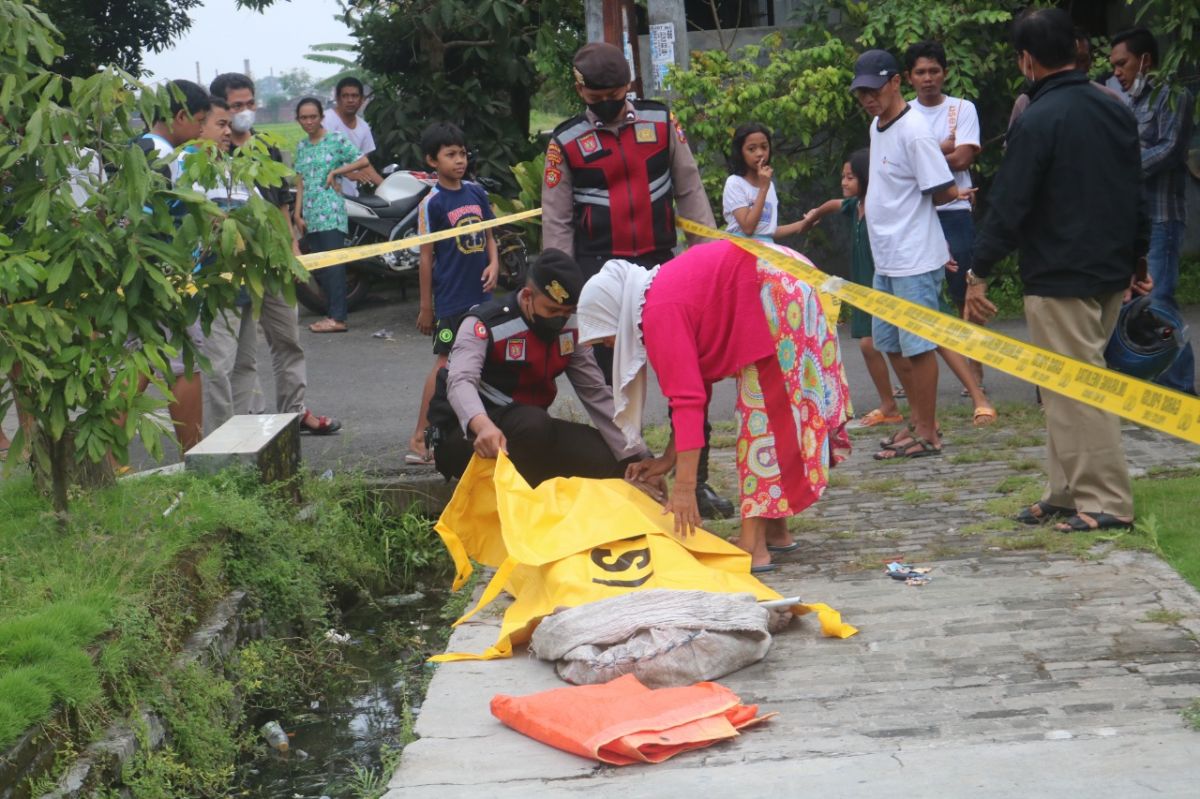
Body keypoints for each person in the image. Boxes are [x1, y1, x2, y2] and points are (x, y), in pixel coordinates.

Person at [966, 7, 1152, 533]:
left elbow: (1010, 203)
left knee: (1079, 390)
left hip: (1060, 275)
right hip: (1109, 270)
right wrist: (1139, 257)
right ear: (1074, 50)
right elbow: (1135, 189)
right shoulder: (1113, 107)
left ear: (1026, 60)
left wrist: (978, 268)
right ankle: (1066, 492)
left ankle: (1109, 502)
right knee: (1062, 389)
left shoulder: (1038, 120)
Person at [541, 41, 733, 520]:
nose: (607, 101)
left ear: (629, 87)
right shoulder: (563, 144)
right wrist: (565, 292)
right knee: (611, 388)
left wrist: (708, 263)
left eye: (616, 92)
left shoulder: (661, 123)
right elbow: (557, 222)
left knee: (685, 381)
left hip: (663, 269)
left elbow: (690, 192)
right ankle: (632, 478)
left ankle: (698, 480)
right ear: (580, 89)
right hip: (600, 281)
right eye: (596, 94)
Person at [577, 240, 851, 572]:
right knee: (774, 411)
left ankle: (754, 545)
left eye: (606, 337)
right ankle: (776, 529)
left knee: (762, 417)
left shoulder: (657, 311)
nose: (609, 346)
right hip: (783, 277)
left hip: (775, 289)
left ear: (614, 314)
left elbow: (688, 402)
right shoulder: (654, 297)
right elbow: (696, 391)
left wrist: (685, 488)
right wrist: (668, 459)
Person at [426, 250, 650, 487]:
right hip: (466, 435)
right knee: (534, 424)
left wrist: (639, 455)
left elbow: (594, 391)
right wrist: (483, 426)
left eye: (567, 312)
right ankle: (519, 508)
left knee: (609, 457)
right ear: (527, 296)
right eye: (552, 310)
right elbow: (460, 382)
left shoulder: (570, 329)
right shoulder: (483, 324)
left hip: (528, 432)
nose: (560, 319)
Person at [204, 73, 342, 436]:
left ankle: (293, 414)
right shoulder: (213, 153)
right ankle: (248, 425)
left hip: (274, 262)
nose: (246, 111)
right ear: (220, 108)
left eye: (251, 103)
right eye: (237, 106)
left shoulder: (266, 146)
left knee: (288, 341)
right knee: (238, 355)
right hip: (234, 266)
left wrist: (292, 250)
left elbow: (281, 204)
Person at [850, 50, 969, 460]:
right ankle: (920, 422)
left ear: (896, 82)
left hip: (915, 255)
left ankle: (928, 434)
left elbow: (943, 188)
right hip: (886, 256)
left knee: (919, 347)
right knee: (892, 344)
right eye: (861, 92)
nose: (868, 98)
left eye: (875, 88)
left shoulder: (915, 131)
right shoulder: (877, 125)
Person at [903, 41, 996, 423]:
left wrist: (924, 153)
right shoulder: (903, 113)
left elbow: (963, 157)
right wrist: (940, 149)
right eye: (920, 72)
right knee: (918, 291)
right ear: (909, 77)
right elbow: (899, 163)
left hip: (955, 209)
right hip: (918, 212)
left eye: (934, 71)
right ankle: (913, 373)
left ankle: (974, 370)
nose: (928, 79)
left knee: (963, 292)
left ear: (944, 73)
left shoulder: (962, 109)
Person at [407, 121, 500, 464]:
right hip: (450, 301)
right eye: (450, 155)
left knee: (482, 361)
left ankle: (477, 430)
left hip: (482, 298)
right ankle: (419, 436)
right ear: (433, 161)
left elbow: (490, 234)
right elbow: (426, 259)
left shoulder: (476, 192)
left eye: (462, 153)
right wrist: (426, 307)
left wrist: (494, 264)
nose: (459, 160)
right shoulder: (431, 203)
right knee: (445, 364)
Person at [1109, 27, 1195, 395]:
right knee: (1134, 302)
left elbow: (1170, 150)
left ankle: (1181, 387)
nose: (1117, 72)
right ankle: (1151, 384)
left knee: (1158, 300)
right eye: (1113, 66)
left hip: (1160, 215)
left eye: (1122, 63)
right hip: (1130, 220)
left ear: (1145, 59)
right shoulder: (1124, 100)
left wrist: (1117, 169)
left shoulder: (1174, 96)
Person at [800, 149, 908, 428]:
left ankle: (914, 408)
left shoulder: (877, 206)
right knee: (870, 346)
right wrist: (813, 217)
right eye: (843, 177)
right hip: (863, 288)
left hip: (883, 286)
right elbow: (833, 204)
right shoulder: (854, 206)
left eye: (851, 177)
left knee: (887, 347)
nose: (844, 182)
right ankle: (890, 405)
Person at [134, 79, 211, 454]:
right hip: (167, 273)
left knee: (136, 358)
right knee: (187, 360)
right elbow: (160, 220)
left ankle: (110, 459)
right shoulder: (170, 159)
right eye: (198, 121)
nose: (201, 130)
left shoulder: (136, 148)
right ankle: (193, 452)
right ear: (179, 116)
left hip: (133, 274)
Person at [292, 96, 371, 334]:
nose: (308, 122)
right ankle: (331, 314)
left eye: (313, 117)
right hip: (311, 214)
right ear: (298, 120)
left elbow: (363, 160)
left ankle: (338, 318)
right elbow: (300, 181)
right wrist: (297, 214)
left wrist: (337, 171)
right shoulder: (301, 146)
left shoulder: (335, 140)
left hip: (331, 212)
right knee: (322, 268)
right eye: (303, 118)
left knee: (334, 266)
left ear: (321, 117)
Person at [721, 123, 811, 242]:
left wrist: (804, 223)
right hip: (741, 249)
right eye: (751, 149)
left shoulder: (770, 185)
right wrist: (763, 189)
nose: (760, 153)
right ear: (740, 152)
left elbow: (767, 232)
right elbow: (748, 228)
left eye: (764, 147)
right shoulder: (735, 183)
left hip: (766, 251)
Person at [322, 76, 384, 197]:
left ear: (362, 100)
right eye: (345, 96)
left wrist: (386, 187)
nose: (350, 100)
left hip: (350, 197)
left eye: (355, 96)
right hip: (324, 194)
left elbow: (363, 164)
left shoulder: (364, 127)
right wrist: (349, 173)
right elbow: (322, 155)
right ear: (337, 99)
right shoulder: (326, 119)